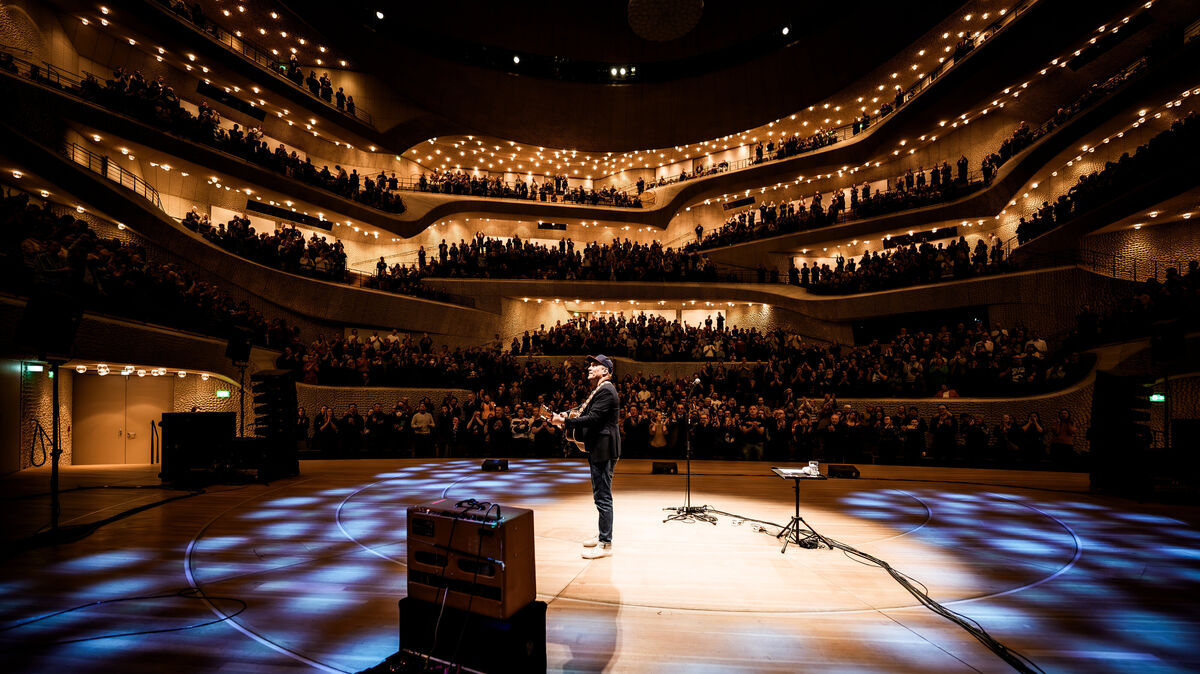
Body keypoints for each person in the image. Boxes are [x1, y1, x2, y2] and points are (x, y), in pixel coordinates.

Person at [552, 354, 620, 559]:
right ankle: (602, 535)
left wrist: (564, 422)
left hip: (604, 448)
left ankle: (606, 544)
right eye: (590, 365)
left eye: (594, 365)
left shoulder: (606, 390)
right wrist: (563, 415)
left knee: (603, 496)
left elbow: (593, 418)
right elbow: (582, 410)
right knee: (600, 494)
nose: (589, 368)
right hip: (600, 447)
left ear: (605, 371)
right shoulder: (600, 389)